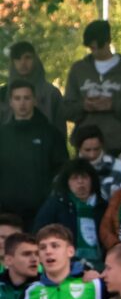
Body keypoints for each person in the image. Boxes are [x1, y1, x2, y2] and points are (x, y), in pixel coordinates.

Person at [63, 20, 121, 156]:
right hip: (85, 145)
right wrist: (84, 106)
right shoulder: (79, 69)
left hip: (118, 146)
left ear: (108, 42)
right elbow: (66, 110)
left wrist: (113, 105)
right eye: (91, 48)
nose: (95, 51)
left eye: (99, 47)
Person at [0, 80, 67, 225]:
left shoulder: (50, 134)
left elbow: (61, 170)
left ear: (35, 101)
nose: (22, 103)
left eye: (27, 98)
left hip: (41, 211)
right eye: (17, 98)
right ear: (10, 102)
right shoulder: (2, 134)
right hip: (6, 212)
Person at [34, 159, 106, 266]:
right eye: (75, 178)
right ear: (67, 182)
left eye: (84, 177)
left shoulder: (102, 206)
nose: (80, 182)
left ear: (92, 180)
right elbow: (39, 232)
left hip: (101, 262)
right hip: (65, 262)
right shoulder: (56, 204)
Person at [1, 39, 66, 130]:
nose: (23, 62)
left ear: (35, 59)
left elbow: (60, 131)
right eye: (18, 58)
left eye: (27, 57)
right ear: (13, 62)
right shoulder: (3, 94)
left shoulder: (51, 94)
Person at [72, 125, 121, 201]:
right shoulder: (69, 171)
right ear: (79, 148)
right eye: (87, 150)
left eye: (96, 149)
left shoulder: (120, 167)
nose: (92, 155)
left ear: (102, 146)